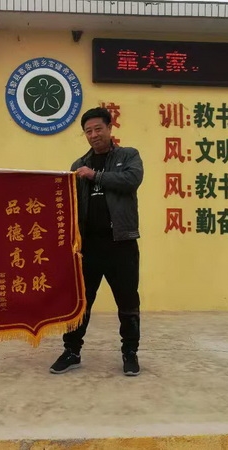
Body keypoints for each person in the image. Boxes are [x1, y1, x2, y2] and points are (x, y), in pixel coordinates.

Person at [50, 107, 144, 376]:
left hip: (121, 243)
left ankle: (130, 353)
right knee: (80, 302)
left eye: (98, 129)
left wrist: (95, 176)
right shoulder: (78, 165)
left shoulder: (128, 156)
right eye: (88, 131)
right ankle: (72, 351)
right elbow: (67, 202)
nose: (93, 135)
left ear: (110, 128)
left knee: (127, 302)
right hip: (88, 247)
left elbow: (132, 180)